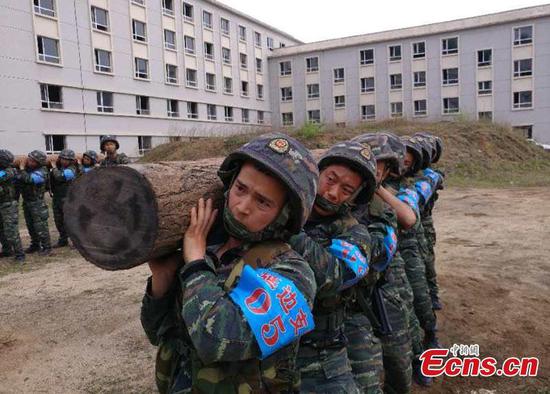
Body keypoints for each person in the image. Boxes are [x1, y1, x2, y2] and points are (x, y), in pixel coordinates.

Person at [140, 133, 319, 393]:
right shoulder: (204, 244)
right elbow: (157, 333)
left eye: (263, 202)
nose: (243, 207)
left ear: (285, 215)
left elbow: (216, 341)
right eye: (240, 189)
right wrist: (162, 280)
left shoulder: (292, 273)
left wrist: (196, 266)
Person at [289, 141, 377, 393]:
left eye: (346, 189)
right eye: (330, 179)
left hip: (319, 353)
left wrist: (288, 228)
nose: (332, 193)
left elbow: (333, 278)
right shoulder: (280, 205)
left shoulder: (354, 234)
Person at [351, 132, 416, 394]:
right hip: (351, 304)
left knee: (398, 358)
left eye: (376, 165)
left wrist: (375, 187)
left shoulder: (381, 200)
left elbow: (408, 219)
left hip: (381, 290)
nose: (370, 168)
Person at [414, 133, 445, 311]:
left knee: (427, 260)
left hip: (423, 222)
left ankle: (432, 293)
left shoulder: (430, 175)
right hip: (416, 225)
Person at [19, 150, 52, 255]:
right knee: (30, 226)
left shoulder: (43, 171)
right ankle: (35, 245)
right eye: (29, 159)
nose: (30, 162)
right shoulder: (27, 169)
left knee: (40, 226)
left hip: (37, 203)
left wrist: (21, 168)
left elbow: (30, 180)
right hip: (27, 202)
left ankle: (46, 247)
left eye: (33, 161)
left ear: (39, 163)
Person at [50, 149, 79, 248]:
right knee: (59, 221)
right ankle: (63, 240)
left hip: (68, 199)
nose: (64, 161)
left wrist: (54, 168)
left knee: (70, 221)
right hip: (57, 198)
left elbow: (59, 177)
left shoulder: (72, 169)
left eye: (67, 159)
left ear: (71, 161)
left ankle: (76, 241)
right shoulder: (59, 168)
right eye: (62, 158)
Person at [0, 149, 25, 262]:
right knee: (1, 229)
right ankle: (7, 250)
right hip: (2, 203)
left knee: (11, 230)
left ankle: (20, 254)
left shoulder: (9, 171)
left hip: (8, 205)